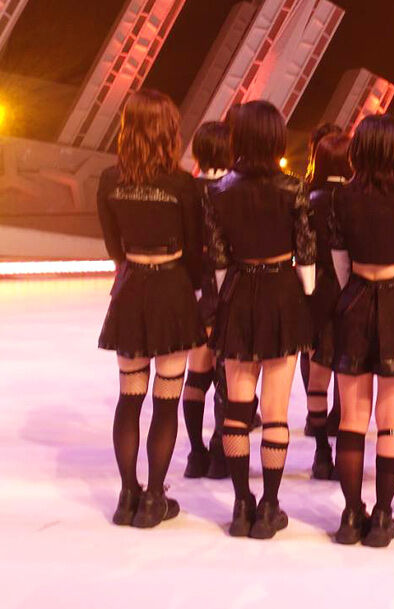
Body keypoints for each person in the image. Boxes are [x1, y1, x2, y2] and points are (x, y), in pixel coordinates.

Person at [205, 100, 316, 539]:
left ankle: (240, 504)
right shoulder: (294, 188)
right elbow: (306, 255)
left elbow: (218, 259)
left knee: (236, 408)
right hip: (281, 292)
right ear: (275, 138)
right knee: (275, 412)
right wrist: (304, 291)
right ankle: (269, 506)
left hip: (238, 290)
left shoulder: (218, 190)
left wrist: (231, 287)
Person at [324, 114, 394, 548]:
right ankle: (384, 515)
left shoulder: (341, 199)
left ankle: (351, 515)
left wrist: (356, 291)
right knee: (391, 422)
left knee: (352, 420)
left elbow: (339, 261)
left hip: (354, 300)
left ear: (359, 152)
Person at [96, 89, 204, 528]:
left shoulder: (110, 180)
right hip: (172, 290)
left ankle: (127, 496)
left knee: (129, 397)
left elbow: (112, 246)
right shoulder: (182, 184)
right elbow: (194, 249)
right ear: (168, 132)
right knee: (165, 401)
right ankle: (155, 498)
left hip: (131, 288)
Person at [181, 120, 233, 480]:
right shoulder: (233, 189)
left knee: (196, 375)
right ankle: (219, 452)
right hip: (229, 289)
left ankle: (195, 453)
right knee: (227, 377)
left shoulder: (186, 190)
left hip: (195, 290)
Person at [304, 131, 353, 480]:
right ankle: (347, 450)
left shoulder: (308, 200)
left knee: (317, 378)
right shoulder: (356, 198)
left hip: (317, 291)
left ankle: (321, 451)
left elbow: (300, 251)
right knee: (351, 380)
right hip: (352, 291)